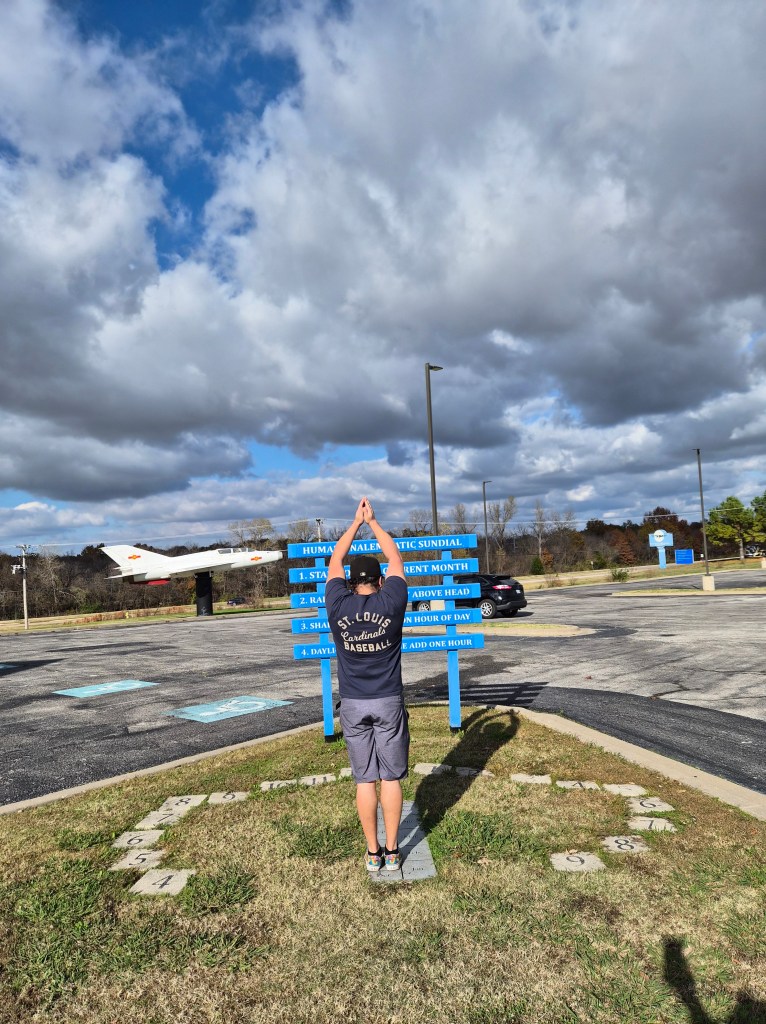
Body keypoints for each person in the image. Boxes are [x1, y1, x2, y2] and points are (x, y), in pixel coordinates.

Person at [325, 497, 409, 872]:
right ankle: (393, 852)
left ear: (348, 582)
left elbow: (334, 560)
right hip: (388, 700)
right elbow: (396, 558)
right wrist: (373, 523)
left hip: (354, 703)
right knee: (390, 777)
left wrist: (354, 524)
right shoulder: (392, 600)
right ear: (379, 581)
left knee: (365, 780)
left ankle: (372, 853)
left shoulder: (337, 604)